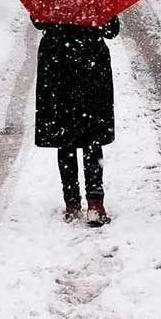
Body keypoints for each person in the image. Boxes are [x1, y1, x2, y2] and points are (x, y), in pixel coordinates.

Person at [33, 15, 120, 226]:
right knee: (92, 137)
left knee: (65, 138)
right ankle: (95, 202)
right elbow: (111, 30)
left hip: (57, 66)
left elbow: (38, 21)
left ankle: (71, 201)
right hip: (91, 66)